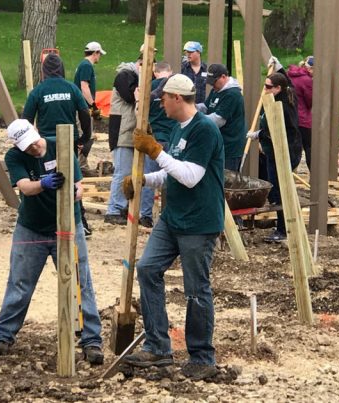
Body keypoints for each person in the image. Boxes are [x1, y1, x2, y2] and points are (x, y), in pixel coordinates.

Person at [120, 74, 224, 381]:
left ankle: (202, 356)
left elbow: (190, 176)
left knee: (196, 290)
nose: (160, 102)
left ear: (177, 98)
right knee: (148, 269)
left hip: (198, 222)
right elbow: (172, 174)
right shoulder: (180, 130)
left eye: (163, 97)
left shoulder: (204, 130)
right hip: (173, 218)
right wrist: (144, 180)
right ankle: (157, 347)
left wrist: (155, 152)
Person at [0, 119, 104, 365]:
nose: (32, 148)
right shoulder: (15, 157)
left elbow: (78, 186)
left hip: (67, 226)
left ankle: (92, 340)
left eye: (33, 142)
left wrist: (74, 193)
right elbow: (24, 187)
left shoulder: (61, 146)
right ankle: (4, 335)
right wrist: (43, 183)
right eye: (26, 146)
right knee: (20, 283)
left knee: (80, 282)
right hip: (31, 228)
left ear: (37, 132)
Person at [23, 54, 94, 236]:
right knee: (71, 180)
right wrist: (85, 136)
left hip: (45, 144)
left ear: (44, 71)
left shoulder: (38, 91)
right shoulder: (71, 88)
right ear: (62, 69)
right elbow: (84, 113)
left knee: (48, 180)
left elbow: (26, 121)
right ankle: (80, 222)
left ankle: (48, 221)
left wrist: (30, 143)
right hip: (68, 142)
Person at [247, 73, 302, 243]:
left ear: (278, 88)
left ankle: (283, 229)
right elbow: (289, 81)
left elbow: (281, 128)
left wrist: (260, 134)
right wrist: (279, 67)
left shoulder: (283, 106)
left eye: (269, 86)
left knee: (280, 191)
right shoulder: (281, 95)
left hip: (285, 154)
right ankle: (284, 226)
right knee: (276, 189)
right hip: (274, 152)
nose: (265, 89)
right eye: (265, 85)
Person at [105, 56, 156, 228]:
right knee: (123, 171)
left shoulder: (135, 76)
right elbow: (131, 96)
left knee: (132, 172)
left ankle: (124, 206)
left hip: (132, 131)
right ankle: (113, 210)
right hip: (122, 131)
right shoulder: (124, 76)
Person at [200, 63, 246, 172]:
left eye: (214, 82)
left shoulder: (232, 94)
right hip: (217, 145)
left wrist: (195, 118)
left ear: (224, 77)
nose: (212, 85)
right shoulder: (216, 90)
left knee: (226, 182)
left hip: (229, 147)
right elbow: (205, 107)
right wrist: (190, 107)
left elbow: (218, 120)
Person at [287, 56, 314, 171]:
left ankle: (290, 173)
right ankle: (314, 176)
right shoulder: (307, 80)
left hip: (290, 117)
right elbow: (310, 101)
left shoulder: (290, 75)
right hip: (303, 119)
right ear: (311, 69)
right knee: (309, 147)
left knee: (292, 147)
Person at [74, 41, 105, 119]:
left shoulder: (84, 64)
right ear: (95, 53)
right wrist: (93, 106)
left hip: (81, 105)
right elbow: (84, 87)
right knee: (84, 130)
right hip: (82, 106)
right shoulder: (86, 66)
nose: (100, 56)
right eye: (100, 54)